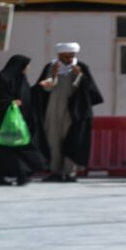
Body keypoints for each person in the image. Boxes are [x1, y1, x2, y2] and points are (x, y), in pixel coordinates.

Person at [32, 42, 103, 182]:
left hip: (74, 113)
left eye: (71, 56)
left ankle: (69, 172)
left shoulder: (80, 68)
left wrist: (80, 77)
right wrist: (53, 75)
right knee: (53, 140)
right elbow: (44, 88)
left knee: (72, 140)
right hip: (53, 110)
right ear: (59, 55)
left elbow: (89, 91)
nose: (68, 59)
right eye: (65, 56)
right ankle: (55, 171)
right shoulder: (51, 67)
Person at [0, 55, 48, 186]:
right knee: (11, 150)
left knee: (10, 150)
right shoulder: (2, 79)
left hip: (16, 123)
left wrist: (39, 87)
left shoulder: (20, 79)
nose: (28, 68)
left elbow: (26, 97)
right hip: (2, 124)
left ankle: (0, 177)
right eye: (26, 65)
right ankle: (21, 175)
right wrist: (9, 102)